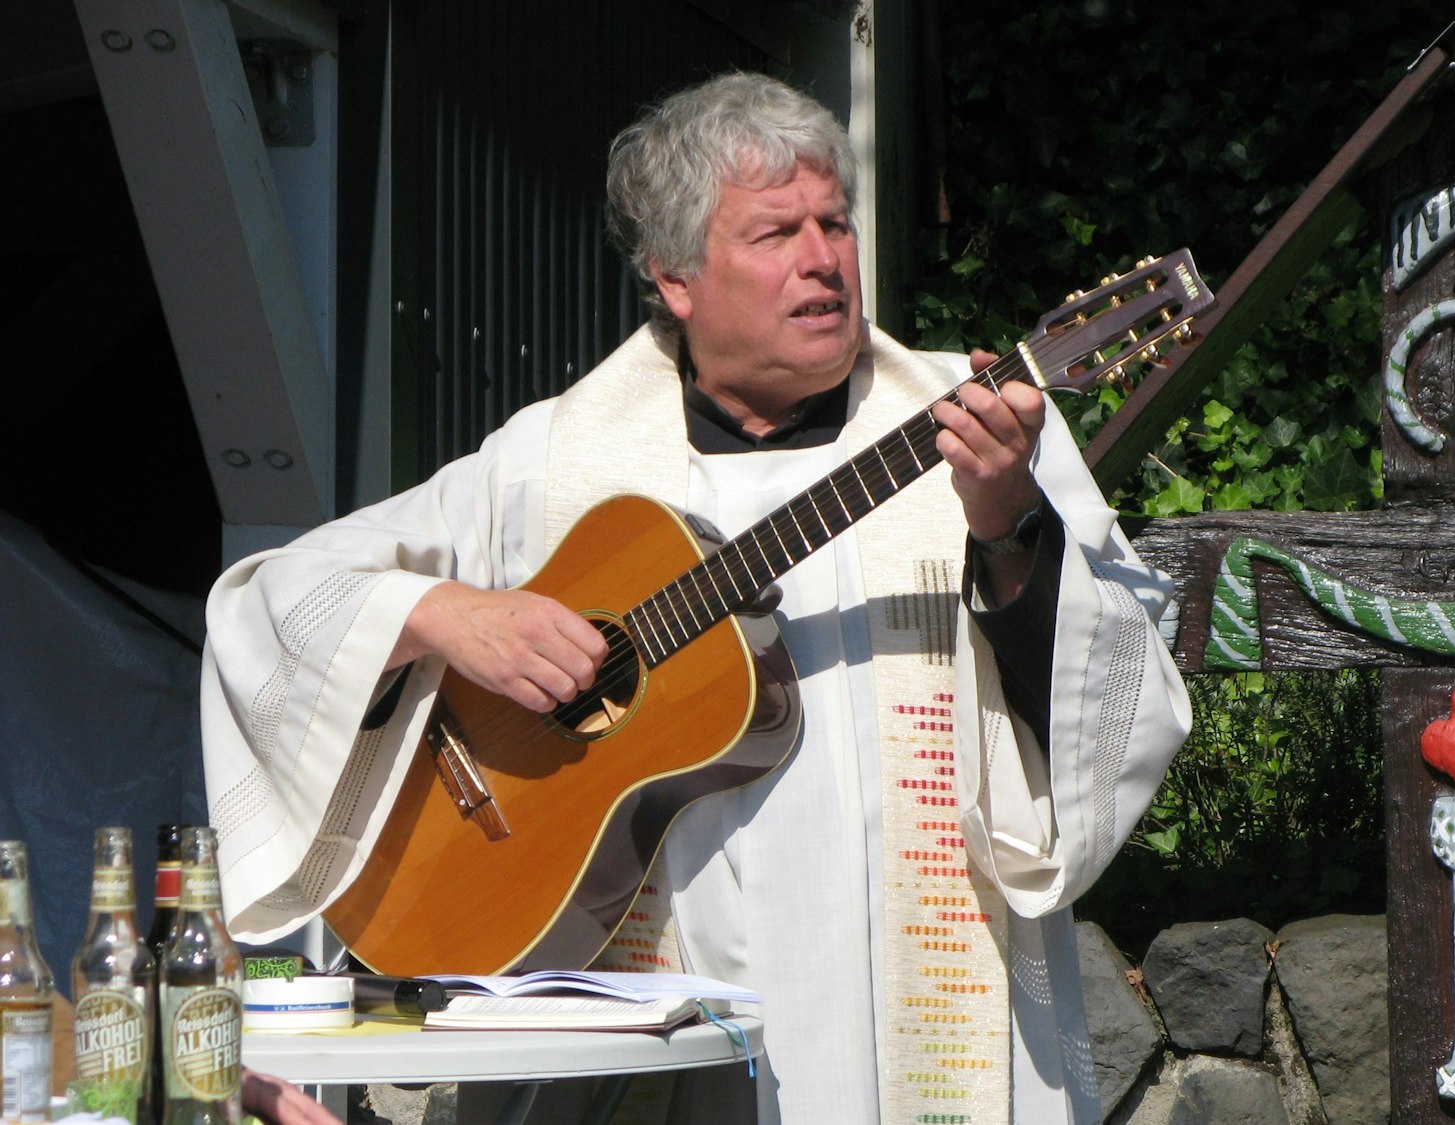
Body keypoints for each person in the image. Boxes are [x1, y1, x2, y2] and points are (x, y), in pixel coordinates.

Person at [200, 72, 1189, 1122]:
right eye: (775, 234)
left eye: (835, 223)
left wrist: (1006, 530)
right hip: (624, 1014)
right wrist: (442, 615)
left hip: (893, 1016)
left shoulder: (978, 433)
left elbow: (1114, 685)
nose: (823, 261)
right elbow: (278, 598)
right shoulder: (549, 461)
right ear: (674, 278)